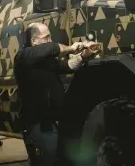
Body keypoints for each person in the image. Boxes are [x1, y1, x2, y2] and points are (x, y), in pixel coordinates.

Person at [14, 22, 98, 166]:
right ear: (33, 41)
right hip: (37, 125)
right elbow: (52, 48)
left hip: (51, 123)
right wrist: (71, 47)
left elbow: (67, 66)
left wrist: (83, 55)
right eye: (46, 37)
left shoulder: (45, 60)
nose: (49, 40)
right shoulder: (24, 56)